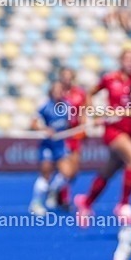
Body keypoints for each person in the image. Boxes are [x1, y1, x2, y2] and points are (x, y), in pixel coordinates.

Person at [74, 49, 131, 227]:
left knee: (109, 171)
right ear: (121, 61)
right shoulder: (109, 79)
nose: (130, 63)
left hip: (129, 132)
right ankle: (123, 204)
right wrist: (92, 114)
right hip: (113, 131)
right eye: (127, 59)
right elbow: (90, 94)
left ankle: (86, 202)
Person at [29, 81, 75, 216]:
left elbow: (74, 121)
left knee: (67, 173)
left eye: (61, 90)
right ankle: (36, 203)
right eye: (56, 90)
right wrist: (45, 129)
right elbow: (33, 123)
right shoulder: (45, 106)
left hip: (60, 144)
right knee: (46, 174)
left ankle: (53, 191)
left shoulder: (67, 106)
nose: (59, 93)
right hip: (48, 145)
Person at [53, 67, 87, 210]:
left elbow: (84, 110)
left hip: (75, 134)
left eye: (69, 76)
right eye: (64, 76)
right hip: (63, 135)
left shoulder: (79, 93)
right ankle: (63, 197)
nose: (66, 79)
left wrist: (84, 125)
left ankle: (57, 191)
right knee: (65, 169)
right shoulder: (58, 92)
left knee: (74, 170)